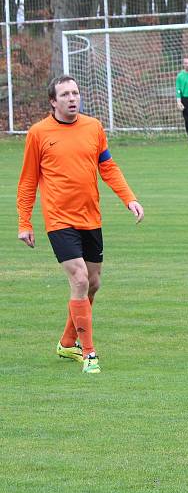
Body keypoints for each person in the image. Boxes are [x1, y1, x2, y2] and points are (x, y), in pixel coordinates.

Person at [16, 75, 144, 374]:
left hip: (91, 217)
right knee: (79, 279)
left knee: (94, 283)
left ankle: (67, 341)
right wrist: (25, 222)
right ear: (53, 101)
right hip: (59, 220)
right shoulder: (38, 133)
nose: (72, 98)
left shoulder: (93, 127)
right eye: (65, 94)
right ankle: (88, 354)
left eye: (75, 93)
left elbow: (108, 166)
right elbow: (27, 181)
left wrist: (129, 199)